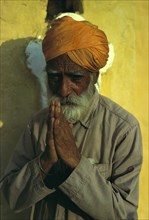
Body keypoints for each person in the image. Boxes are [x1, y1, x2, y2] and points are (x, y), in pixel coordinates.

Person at [0, 16, 142, 220]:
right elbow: (11, 198)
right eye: (55, 77)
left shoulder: (123, 130)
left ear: (94, 76)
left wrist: (76, 162)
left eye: (75, 78)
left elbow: (124, 215)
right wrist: (45, 163)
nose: (64, 90)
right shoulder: (38, 125)